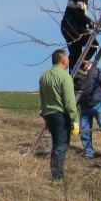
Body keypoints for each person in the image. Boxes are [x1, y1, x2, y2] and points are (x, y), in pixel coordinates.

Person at [39, 49, 79, 180]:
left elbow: (43, 97)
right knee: (61, 146)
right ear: (63, 61)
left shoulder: (44, 76)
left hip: (49, 114)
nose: (68, 60)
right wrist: (75, 119)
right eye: (67, 58)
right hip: (61, 115)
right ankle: (57, 176)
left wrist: (44, 115)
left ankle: (55, 173)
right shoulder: (65, 77)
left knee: (56, 144)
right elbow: (69, 101)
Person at [60, 0, 97, 74]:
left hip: (67, 28)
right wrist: (90, 22)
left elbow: (77, 15)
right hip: (73, 29)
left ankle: (73, 79)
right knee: (93, 44)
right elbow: (79, 14)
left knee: (75, 53)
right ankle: (81, 66)